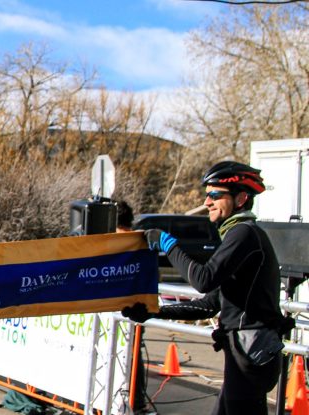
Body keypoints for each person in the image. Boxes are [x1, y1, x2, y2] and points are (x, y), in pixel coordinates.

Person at [122, 161, 291, 415]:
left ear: (241, 198)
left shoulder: (244, 234)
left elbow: (202, 280)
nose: (207, 202)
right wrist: (152, 312)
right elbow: (208, 304)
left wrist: (169, 245)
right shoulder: (236, 234)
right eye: (206, 195)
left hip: (250, 350)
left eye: (215, 195)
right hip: (246, 349)